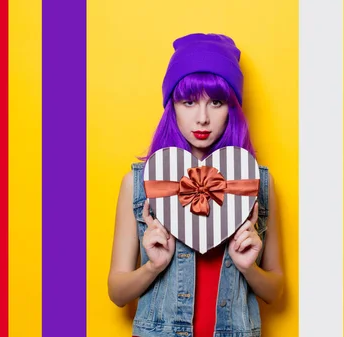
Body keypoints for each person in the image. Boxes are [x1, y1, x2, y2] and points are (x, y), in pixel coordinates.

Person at [108, 33, 283, 337]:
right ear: (172, 106)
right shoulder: (138, 183)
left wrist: (248, 267)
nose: (202, 118)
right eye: (189, 102)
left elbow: (275, 290)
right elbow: (117, 292)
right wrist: (153, 266)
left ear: (233, 108)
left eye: (216, 102)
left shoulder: (257, 183)